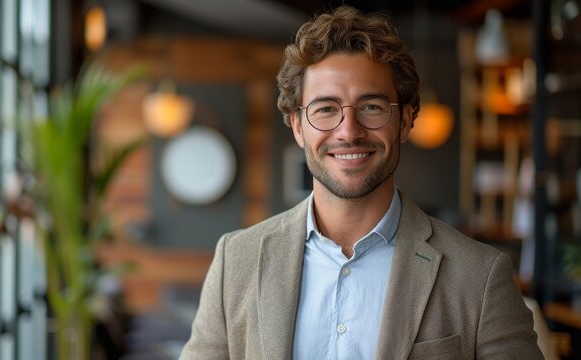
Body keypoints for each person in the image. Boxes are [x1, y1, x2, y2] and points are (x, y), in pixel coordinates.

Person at [179, 6, 542, 360]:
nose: (348, 131)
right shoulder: (235, 261)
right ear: (297, 126)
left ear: (405, 121)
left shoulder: (479, 276)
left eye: (371, 107)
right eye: (325, 109)